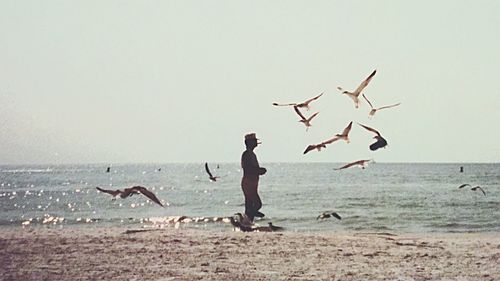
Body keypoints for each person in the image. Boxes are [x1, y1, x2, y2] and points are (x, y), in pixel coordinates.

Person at [241, 133, 267, 225]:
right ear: (249, 143)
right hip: (249, 182)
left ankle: (247, 222)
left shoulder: (251, 154)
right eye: (254, 141)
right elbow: (248, 169)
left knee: (249, 204)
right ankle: (248, 218)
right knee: (257, 204)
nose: (256, 143)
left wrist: (259, 171)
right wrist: (259, 170)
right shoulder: (247, 154)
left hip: (251, 182)